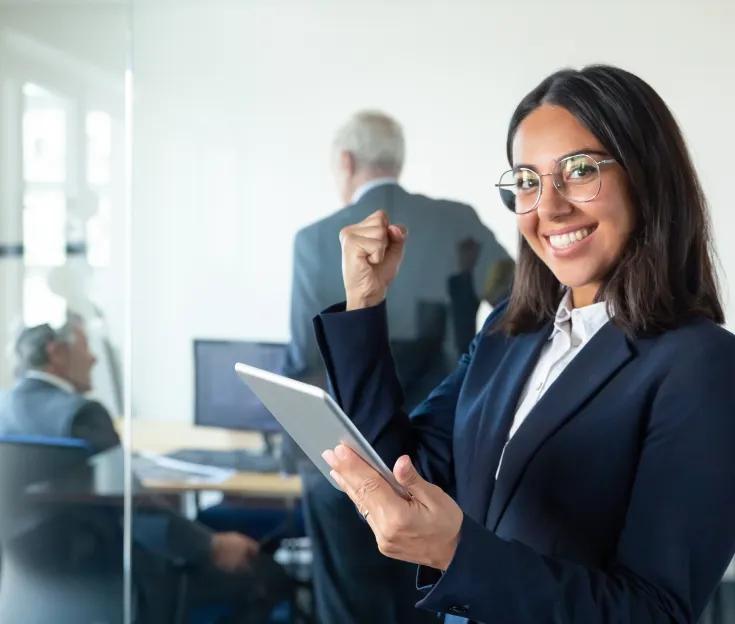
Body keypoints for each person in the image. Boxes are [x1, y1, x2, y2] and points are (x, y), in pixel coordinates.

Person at [316, 65, 735, 624]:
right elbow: (403, 468)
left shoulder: (702, 366)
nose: (550, 207)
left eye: (581, 171)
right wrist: (364, 305)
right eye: (529, 181)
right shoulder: (509, 333)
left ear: (647, 175)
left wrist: (455, 554)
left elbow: (653, 611)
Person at [284, 110, 514, 623]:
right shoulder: (459, 222)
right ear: (397, 158)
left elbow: (303, 358)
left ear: (345, 162)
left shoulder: (314, 240)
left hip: (340, 465)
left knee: (349, 610)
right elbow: (523, 311)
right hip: (443, 461)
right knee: (431, 605)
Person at [0, 315, 291, 623]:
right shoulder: (82, 414)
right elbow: (131, 503)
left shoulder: (4, 409)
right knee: (267, 575)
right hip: (118, 578)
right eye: (86, 347)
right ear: (56, 353)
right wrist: (211, 545)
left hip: (32, 583)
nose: (94, 357)